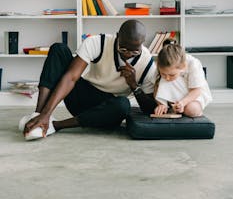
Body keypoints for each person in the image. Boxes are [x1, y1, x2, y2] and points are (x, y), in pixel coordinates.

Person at [19, 19, 156, 141]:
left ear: (142, 44)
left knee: (123, 105)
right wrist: (45, 113)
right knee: (58, 49)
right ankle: (37, 116)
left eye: (134, 51)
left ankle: (55, 125)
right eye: (123, 49)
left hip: (107, 111)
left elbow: (149, 108)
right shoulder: (98, 42)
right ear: (118, 36)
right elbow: (71, 77)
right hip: (82, 97)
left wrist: (133, 85)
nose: (127, 54)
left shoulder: (146, 62)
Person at [151, 41, 212, 118]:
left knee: (192, 110)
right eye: (163, 74)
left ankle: (182, 108)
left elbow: (196, 90)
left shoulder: (193, 64)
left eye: (172, 75)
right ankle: (172, 107)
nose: (167, 78)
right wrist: (161, 104)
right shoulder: (162, 64)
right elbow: (156, 86)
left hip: (193, 94)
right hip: (173, 94)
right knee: (163, 78)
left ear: (183, 66)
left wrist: (182, 103)